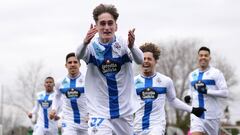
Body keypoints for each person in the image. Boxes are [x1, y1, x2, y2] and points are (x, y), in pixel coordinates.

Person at [76, 3, 144, 135]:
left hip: (124, 111)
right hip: (99, 111)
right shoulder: (91, 46)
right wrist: (85, 41)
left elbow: (140, 60)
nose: (106, 27)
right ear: (96, 26)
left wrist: (132, 46)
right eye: (102, 23)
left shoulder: (124, 44)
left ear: (116, 26)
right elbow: (78, 55)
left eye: (110, 23)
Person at [134, 43, 206, 135]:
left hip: (157, 126)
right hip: (137, 127)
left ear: (155, 61)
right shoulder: (133, 82)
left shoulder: (165, 81)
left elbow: (173, 100)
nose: (146, 61)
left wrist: (192, 109)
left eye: (149, 59)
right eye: (143, 59)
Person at [184, 46, 229, 135]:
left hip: (212, 116)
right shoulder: (192, 74)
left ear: (209, 58)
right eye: (201, 55)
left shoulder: (216, 73)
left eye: (206, 55)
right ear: (198, 57)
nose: (203, 57)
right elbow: (190, 90)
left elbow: (225, 93)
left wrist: (207, 91)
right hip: (196, 115)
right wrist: (187, 96)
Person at [49, 52, 88, 135]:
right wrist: (54, 109)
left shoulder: (87, 80)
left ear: (80, 64)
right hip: (68, 121)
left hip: (86, 120)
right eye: (70, 62)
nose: (72, 64)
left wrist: (91, 114)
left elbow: (95, 98)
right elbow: (56, 97)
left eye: (75, 62)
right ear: (66, 65)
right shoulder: (60, 82)